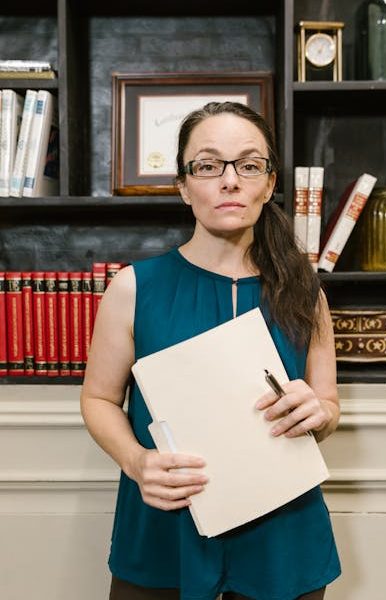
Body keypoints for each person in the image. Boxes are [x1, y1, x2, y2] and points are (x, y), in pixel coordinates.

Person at [80, 101, 341, 600]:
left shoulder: (307, 292)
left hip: (284, 533)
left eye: (249, 165)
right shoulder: (133, 288)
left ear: (269, 182)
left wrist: (320, 412)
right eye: (208, 165)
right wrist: (136, 462)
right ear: (183, 185)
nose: (230, 181)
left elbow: (327, 406)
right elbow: (98, 399)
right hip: (166, 526)